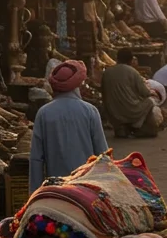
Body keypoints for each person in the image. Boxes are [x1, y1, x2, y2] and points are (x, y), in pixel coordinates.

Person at [29, 60, 108, 191]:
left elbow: (36, 159)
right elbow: (103, 154)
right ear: (79, 83)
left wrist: (35, 193)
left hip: (56, 188)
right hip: (86, 186)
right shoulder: (90, 111)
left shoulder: (43, 113)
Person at [101, 48, 160, 138]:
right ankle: (136, 126)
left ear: (117, 58)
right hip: (129, 111)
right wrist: (151, 92)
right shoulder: (132, 71)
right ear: (131, 60)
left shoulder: (107, 72)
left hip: (112, 112)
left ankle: (122, 128)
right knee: (150, 102)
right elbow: (144, 92)